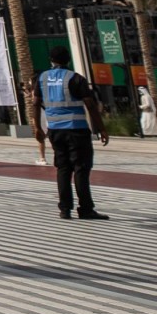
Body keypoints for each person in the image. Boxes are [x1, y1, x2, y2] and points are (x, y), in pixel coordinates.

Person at [34, 45, 109, 219]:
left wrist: (38, 127)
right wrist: (101, 128)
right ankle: (85, 208)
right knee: (81, 168)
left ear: (51, 60)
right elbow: (90, 104)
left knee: (63, 168)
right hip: (76, 129)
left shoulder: (42, 78)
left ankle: (64, 208)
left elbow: (35, 103)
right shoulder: (75, 78)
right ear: (68, 60)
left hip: (54, 130)